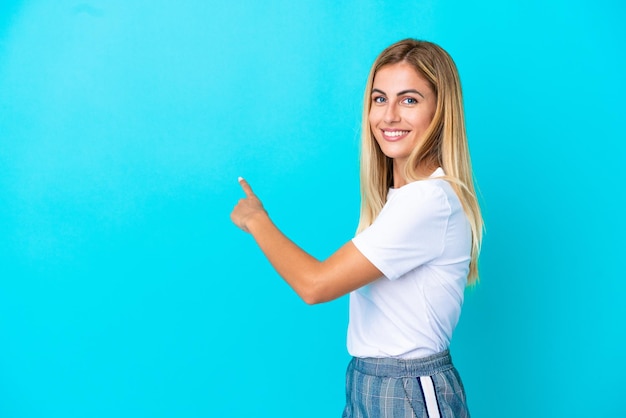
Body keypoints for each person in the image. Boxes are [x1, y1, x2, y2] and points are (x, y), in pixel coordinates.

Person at [230, 38, 483, 418]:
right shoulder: (401, 200)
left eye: (409, 100)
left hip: (406, 390)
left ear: (441, 112)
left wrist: (256, 219)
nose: (390, 115)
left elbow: (315, 285)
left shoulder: (428, 201)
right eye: (380, 99)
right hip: (368, 382)